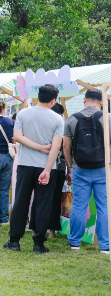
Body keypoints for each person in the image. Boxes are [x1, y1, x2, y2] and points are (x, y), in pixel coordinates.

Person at [4, 84, 63, 254]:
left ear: (38, 96)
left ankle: (14, 241)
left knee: (21, 201)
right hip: (46, 166)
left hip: (25, 164)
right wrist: (47, 169)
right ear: (53, 100)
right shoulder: (57, 119)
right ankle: (39, 243)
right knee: (43, 204)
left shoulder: (23, 113)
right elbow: (55, 147)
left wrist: (36, 147)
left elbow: (17, 137)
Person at [63, 89, 109, 255]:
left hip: (79, 169)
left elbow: (66, 146)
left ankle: (75, 242)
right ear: (102, 102)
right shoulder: (107, 117)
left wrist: (70, 165)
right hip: (103, 169)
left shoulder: (72, 119)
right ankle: (105, 245)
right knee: (104, 206)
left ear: (84, 100)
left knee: (79, 205)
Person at [39, 103, 67, 238]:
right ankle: (52, 231)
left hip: (40, 165)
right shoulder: (61, 126)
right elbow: (65, 148)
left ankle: (38, 228)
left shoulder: (43, 125)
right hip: (59, 166)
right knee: (56, 199)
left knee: (41, 199)